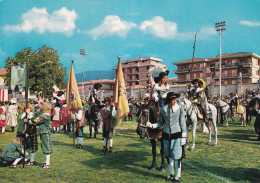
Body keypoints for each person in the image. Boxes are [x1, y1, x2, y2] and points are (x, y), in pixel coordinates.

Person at [146, 92, 187, 183]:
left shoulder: (180, 108)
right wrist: (152, 125)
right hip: (166, 136)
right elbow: (161, 123)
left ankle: (178, 176)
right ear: (169, 101)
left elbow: (183, 123)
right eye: (173, 100)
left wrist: (184, 136)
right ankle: (171, 175)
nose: (175, 101)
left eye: (175, 100)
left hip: (177, 135)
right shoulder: (163, 110)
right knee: (168, 156)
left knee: (177, 157)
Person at [28, 102, 53, 169]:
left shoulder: (45, 115)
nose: (41, 106)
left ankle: (47, 163)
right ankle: (46, 162)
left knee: (46, 147)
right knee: (44, 146)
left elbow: (37, 121)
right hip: (43, 133)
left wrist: (30, 116)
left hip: (45, 133)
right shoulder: (45, 115)